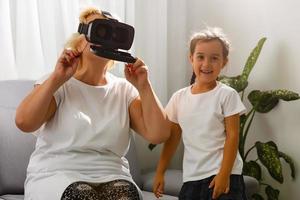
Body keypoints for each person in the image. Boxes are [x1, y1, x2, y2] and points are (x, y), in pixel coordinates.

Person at [15, 7, 170, 200]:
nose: (106, 37)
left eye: (114, 33)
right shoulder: (60, 83)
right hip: (57, 174)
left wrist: (144, 86)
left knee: (125, 195)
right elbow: (24, 121)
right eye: (101, 30)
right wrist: (57, 78)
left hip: (113, 176)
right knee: (81, 194)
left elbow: (159, 134)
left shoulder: (124, 90)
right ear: (80, 41)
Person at [153, 27, 247, 200]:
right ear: (191, 59)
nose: (206, 64)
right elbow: (173, 139)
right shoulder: (179, 98)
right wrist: (160, 172)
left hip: (225, 175)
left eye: (214, 58)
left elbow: (233, 137)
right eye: (200, 57)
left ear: (223, 62)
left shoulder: (227, 95)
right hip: (192, 179)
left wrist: (224, 175)